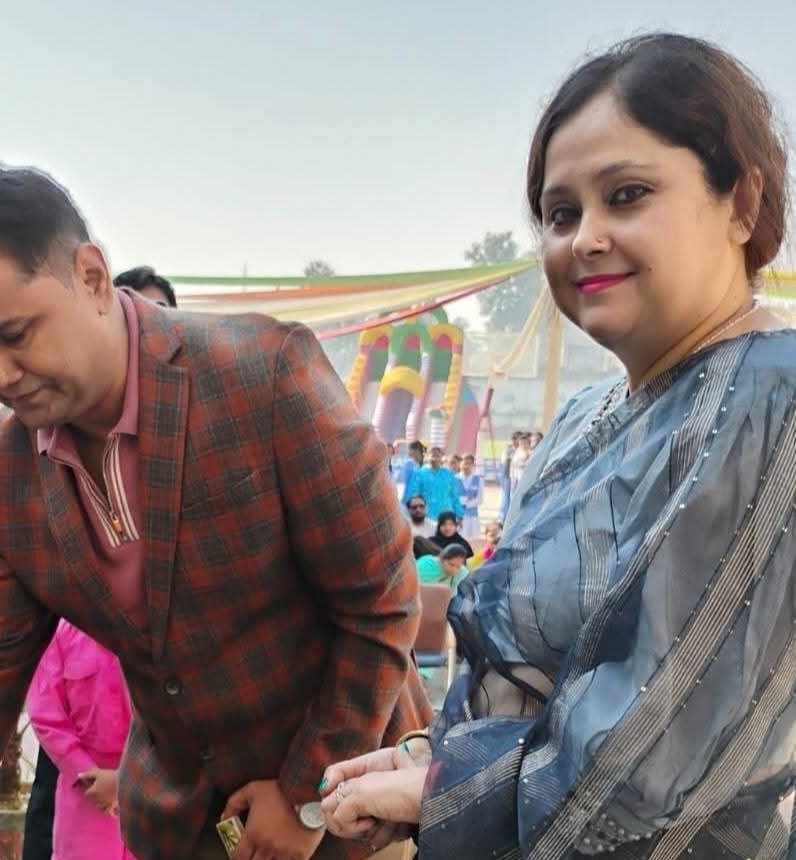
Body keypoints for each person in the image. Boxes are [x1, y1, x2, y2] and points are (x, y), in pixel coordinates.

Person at [319, 33, 795, 858]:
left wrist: (438, 791)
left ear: (742, 203)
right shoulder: (584, 415)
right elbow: (532, 679)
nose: (585, 239)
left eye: (628, 195)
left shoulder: (770, 398)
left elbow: (650, 753)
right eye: (561, 213)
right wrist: (427, 760)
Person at [0, 162, 433, 860]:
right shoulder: (5, 465)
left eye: (15, 334)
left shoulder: (264, 374)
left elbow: (381, 603)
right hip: (182, 822)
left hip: (352, 799)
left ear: (90, 277)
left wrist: (304, 797)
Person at [23, 269, 181, 860]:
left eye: (161, 314)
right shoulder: (56, 428)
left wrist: (130, 776)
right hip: (81, 777)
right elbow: (42, 699)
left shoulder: (180, 430)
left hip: (159, 778)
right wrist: (86, 769)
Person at [27, 620, 137, 860]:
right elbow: (45, 712)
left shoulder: (152, 629)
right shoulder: (63, 631)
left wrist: (126, 781)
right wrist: (85, 772)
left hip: (148, 790)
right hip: (85, 792)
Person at [404, 446, 462, 521]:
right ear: (427, 456)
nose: (435, 456)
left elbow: (454, 496)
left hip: (445, 516)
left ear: (442, 457)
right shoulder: (419, 474)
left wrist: (459, 515)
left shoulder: (448, 474)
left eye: (438, 454)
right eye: (432, 453)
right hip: (426, 517)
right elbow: (412, 495)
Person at [457, 454, 482, 540]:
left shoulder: (478, 479)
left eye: (469, 464)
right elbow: (452, 497)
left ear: (473, 466)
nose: (466, 466)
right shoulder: (454, 479)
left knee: (473, 540)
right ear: (460, 464)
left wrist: (466, 504)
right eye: (465, 463)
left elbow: (480, 499)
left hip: (472, 516)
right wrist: (464, 501)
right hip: (458, 516)